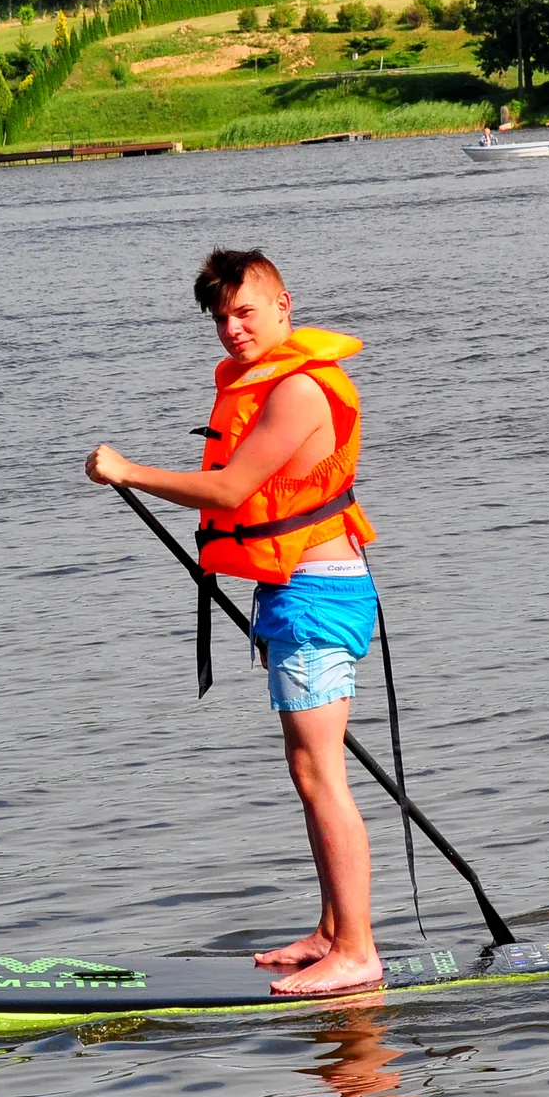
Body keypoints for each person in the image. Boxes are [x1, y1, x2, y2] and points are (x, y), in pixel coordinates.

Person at [85, 249, 384, 995]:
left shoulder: (301, 392)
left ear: (285, 303)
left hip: (320, 592)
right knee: (306, 768)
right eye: (221, 318)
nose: (233, 329)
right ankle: (330, 929)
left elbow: (229, 489)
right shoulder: (269, 381)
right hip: (296, 592)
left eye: (246, 311)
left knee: (322, 774)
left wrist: (129, 470)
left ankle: (358, 950)